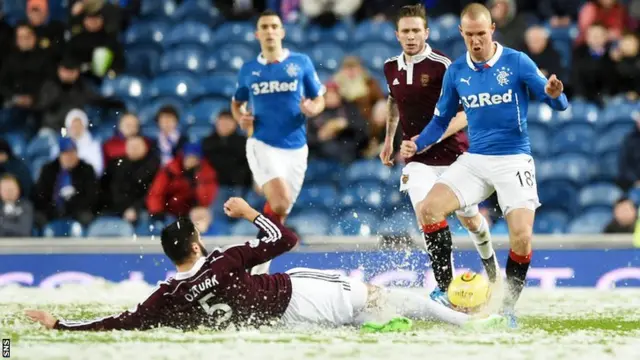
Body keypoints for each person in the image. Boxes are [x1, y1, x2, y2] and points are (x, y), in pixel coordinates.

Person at [25, 196, 506, 332]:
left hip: (279, 325)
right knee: (389, 296)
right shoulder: (225, 260)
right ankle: (473, 324)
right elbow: (286, 237)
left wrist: (62, 324)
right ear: (193, 242)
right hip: (297, 292)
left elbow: (122, 322)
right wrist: (252, 213)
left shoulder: (165, 298)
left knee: (367, 322)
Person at [400, 3, 568, 327]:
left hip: (514, 159)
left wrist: (556, 95)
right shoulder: (456, 72)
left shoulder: (516, 62)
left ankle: (506, 307)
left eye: (481, 33)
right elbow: (439, 122)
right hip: (476, 160)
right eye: (470, 35)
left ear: (492, 29)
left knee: (521, 237)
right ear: (461, 33)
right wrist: (417, 144)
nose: (476, 41)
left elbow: (556, 101)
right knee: (429, 209)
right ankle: (445, 290)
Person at [380, 4, 498, 306]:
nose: (410, 36)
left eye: (416, 30)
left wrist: (429, 139)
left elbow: (466, 114)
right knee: (426, 215)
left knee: (470, 219)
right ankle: (446, 289)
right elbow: (395, 102)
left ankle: (492, 267)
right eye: (405, 31)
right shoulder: (390, 67)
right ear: (397, 34)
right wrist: (388, 141)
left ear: (426, 32)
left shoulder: (443, 66)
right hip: (417, 161)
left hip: (453, 158)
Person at [231, 10, 326, 273]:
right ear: (257, 34)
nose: (270, 30)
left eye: (275, 26)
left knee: (278, 215)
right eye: (265, 26)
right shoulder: (249, 69)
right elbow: (236, 103)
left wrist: (312, 109)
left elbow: (319, 99)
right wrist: (241, 118)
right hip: (262, 143)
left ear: (282, 32)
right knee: (280, 202)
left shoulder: (301, 63)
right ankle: (251, 254)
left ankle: (255, 273)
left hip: (296, 148)